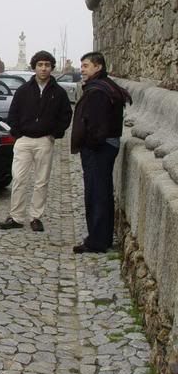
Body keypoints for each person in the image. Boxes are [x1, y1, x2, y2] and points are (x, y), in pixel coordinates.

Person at [0, 50, 72, 232]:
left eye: (47, 65)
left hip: (45, 141)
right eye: (40, 65)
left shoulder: (59, 92)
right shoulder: (23, 91)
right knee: (19, 179)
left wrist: (54, 133)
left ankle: (36, 217)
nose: (44, 68)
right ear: (34, 67)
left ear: (51, 68)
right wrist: (17, 133)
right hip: (24, 140)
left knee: (41, 181)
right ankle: (16, 216)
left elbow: (66, 115)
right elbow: (13, 113)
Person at [71, 51, 132, 254]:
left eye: (86, 65)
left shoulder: (98, 91)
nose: (82, 69)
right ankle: (101, 237)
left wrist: (89, 145)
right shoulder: (105, 86)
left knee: (96, 194)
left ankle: (96, 241)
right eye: (82, 65)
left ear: (98, 67)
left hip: (98, 149)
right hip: (104, 147)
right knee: (101, 192)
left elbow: (96, 126)